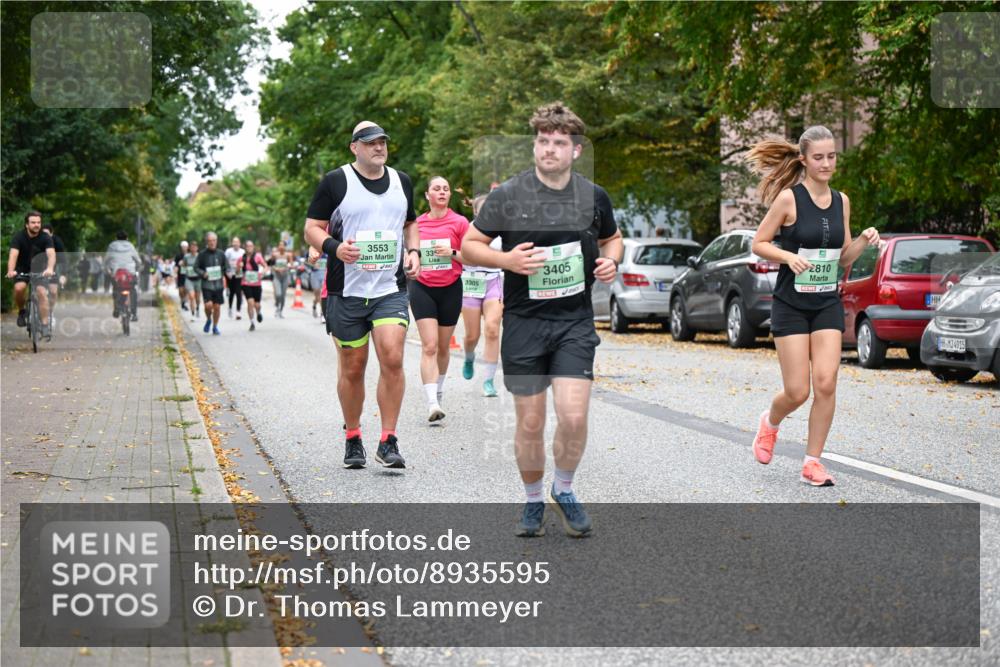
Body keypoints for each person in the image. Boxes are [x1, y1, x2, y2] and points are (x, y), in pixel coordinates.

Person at [462, 102, 622, 538]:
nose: (549, 149)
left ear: (574, 150)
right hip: (524, 323)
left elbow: (613, 239)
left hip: (573, 322)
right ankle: (533, 500)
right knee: (530, 422)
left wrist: (610, 262)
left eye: (559, 143)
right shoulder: (509, 195)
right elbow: (470, 247)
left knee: (573, 416)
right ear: (535, 146)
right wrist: (506, 259)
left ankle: (563, 489)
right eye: (542, 141)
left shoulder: (593, 196)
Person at [747, 126, 881, 487]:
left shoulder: (842, 201)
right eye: (818, 157)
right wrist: (788, 256)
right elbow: (759, 243)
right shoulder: (789, 199)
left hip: (825, 303)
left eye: (831, 156)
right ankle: (769, 423)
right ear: (804, 160)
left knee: (826, 382)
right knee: (797, 391)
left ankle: (812, 462)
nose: (826, 163)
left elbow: (843, 258)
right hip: (790, 304)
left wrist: (866, 241)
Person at [304, 120, 420, 470]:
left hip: (389, 288)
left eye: (382, 142)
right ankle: (353, 436)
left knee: (393, 357)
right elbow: (311, 227)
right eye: (370, 143)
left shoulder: (402, 182)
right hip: (346, 291)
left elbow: (410, 222)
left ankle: (388, 440)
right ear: (354, 147)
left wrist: (414, 251)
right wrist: (335, 248)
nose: (378, 147)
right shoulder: (336, 182)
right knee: (353, 369)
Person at [409, 176, 470, 422]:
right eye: (437, 188)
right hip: (422, 287)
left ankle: (439, 390)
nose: (442, 192)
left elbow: (473, 256)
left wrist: (453, 253)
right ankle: (432, 402)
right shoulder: (416, 224)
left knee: (443, 347)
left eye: (446, 188)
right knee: (430, 346)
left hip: (451, 288)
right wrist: (411, 259)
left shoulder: (460, 222)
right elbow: (408, 252)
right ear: (427, 195)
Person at [460, 194, 504, 397]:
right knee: (472, 335)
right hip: (472, 282)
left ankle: (488, 380)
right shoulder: (467, 229)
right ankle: (469, 357)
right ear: (476, 212)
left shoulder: (504, 231)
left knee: (493, 329)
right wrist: (452, 252)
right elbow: (462, 255)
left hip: (494, 281)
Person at [6, 210, 56, 338]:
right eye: (33, 222)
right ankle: (22, 312)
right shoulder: (19, 237)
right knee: (19, 288)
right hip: (22, 268)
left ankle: (45, 325)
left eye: (38, 222)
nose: (36, 225)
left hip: (40, 270)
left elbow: (51, 254)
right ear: (27, 224)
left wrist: (50, 268)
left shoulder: (46, 237)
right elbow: (13, 255)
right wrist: (11, 270)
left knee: (41, 292)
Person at [104, 230, 142, 322]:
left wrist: (109, 270)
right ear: (127, 238)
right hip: (130, 274)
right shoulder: (130, 246)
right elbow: (138, 261)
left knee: (116, 289)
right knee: (133, 291)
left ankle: (117, 309)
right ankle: (134, 313)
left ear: (116, 238)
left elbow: (106, 261)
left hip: (117, 274)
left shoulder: (112, 246)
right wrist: (137, 269)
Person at [195, 232, 228, 335]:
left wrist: (224, 273)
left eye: (214, 240)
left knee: (217, 307)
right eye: (210, 241)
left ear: (216, 241)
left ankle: (215, 326)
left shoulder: (221, 254)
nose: (212, 243)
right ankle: (209, 319)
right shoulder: (202, 254)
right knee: (208, 305)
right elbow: (195, 267)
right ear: (207, 242)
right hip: (207, 285)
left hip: (218, 285)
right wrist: (203, 273)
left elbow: (226, 267)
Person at [40, 223, 65, 321]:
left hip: (52, 268)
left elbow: (63, 259)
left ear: (52, 234)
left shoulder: (57, 242)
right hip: (37, 267)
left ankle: (50, 312)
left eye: (47, 234)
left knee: (53, 292)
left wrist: (63, 274)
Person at [240, 240, 267, 331]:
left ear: (253, 247)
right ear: (245, 247)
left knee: (257, 305)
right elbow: (237, 271)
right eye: (247, 246)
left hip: (256, 283)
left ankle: (258, 312)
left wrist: (263, 272)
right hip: (246, 283)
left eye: (251, 246)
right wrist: (239, 267)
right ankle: (252, 322)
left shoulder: (258, 256)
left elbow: (265, 266)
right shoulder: (242, 258)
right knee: (250, 302)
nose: (249, 248)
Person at [268, 241, 294, 318]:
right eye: (280, 245)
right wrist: (276, 268)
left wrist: (287, 267)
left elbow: (291, 264)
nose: (281, 247)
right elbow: (270, 264)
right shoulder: (274, 255)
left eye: (283, 245)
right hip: (277, 277)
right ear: (278, 247)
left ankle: (280, 310)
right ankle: (277, 305)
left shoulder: (288, 255)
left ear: (285, 247)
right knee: (278, 294)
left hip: (285, 276)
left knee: (283, 295)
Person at [225, 236, 245, 320]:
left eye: (237, 242)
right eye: (234, 242)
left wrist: (242, 266)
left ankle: (238, 311)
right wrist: (226, 272)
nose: (235, 244)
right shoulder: (228, 251)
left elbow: (245, 262)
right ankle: (230, 308)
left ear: (239, 243)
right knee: (232, 292)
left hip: (239, 274)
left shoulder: (243, 252)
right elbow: (225, 262)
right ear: (232, 243)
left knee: (238, 292)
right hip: (230, 274)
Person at [183, 241, 202, 320]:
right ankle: (192, 313)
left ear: (197, 248)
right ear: (189, 248)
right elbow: (184, 265)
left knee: (197, 297)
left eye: (195, 247)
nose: (193, 248)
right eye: (192, 247)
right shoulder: (186, 256)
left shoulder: (200, 256)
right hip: (189, 279)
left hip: (198, 279)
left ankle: (197, 308)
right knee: (191, 296)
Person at [307, 249, 326, 320]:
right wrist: (312, 261)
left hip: (324, 274)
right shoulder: (313, 250)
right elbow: (307, 262)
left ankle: (322, 314)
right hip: (315, 275)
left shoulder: (327, 251)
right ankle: (314, 305)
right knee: (317, 297)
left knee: (322, 295)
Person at [174, 241, 189, 309]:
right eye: (183, 247)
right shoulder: (178, 256)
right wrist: (175, 274)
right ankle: (182, 300)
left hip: (188, 274)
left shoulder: (189, 255)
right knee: (180, 290)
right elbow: (176, 265)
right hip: (180, 274)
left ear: (187, 247)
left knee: (186, 289)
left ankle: (184, 302)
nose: (184, 248)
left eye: (185, 247)